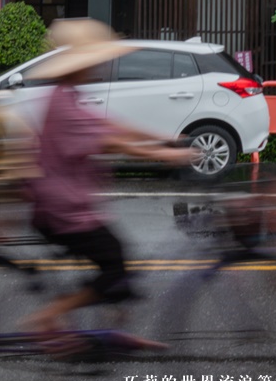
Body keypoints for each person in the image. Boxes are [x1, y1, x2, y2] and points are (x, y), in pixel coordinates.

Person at [20, 19, 193, 340]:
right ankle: (48, 316)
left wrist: (165, 137)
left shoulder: (66, 95)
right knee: (114, 266)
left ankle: (109, 323)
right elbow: (112, 142)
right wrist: (169, 156)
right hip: (62, 212)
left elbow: (111, 126)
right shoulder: (65, 105)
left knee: (114, 260)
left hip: (63, 204)